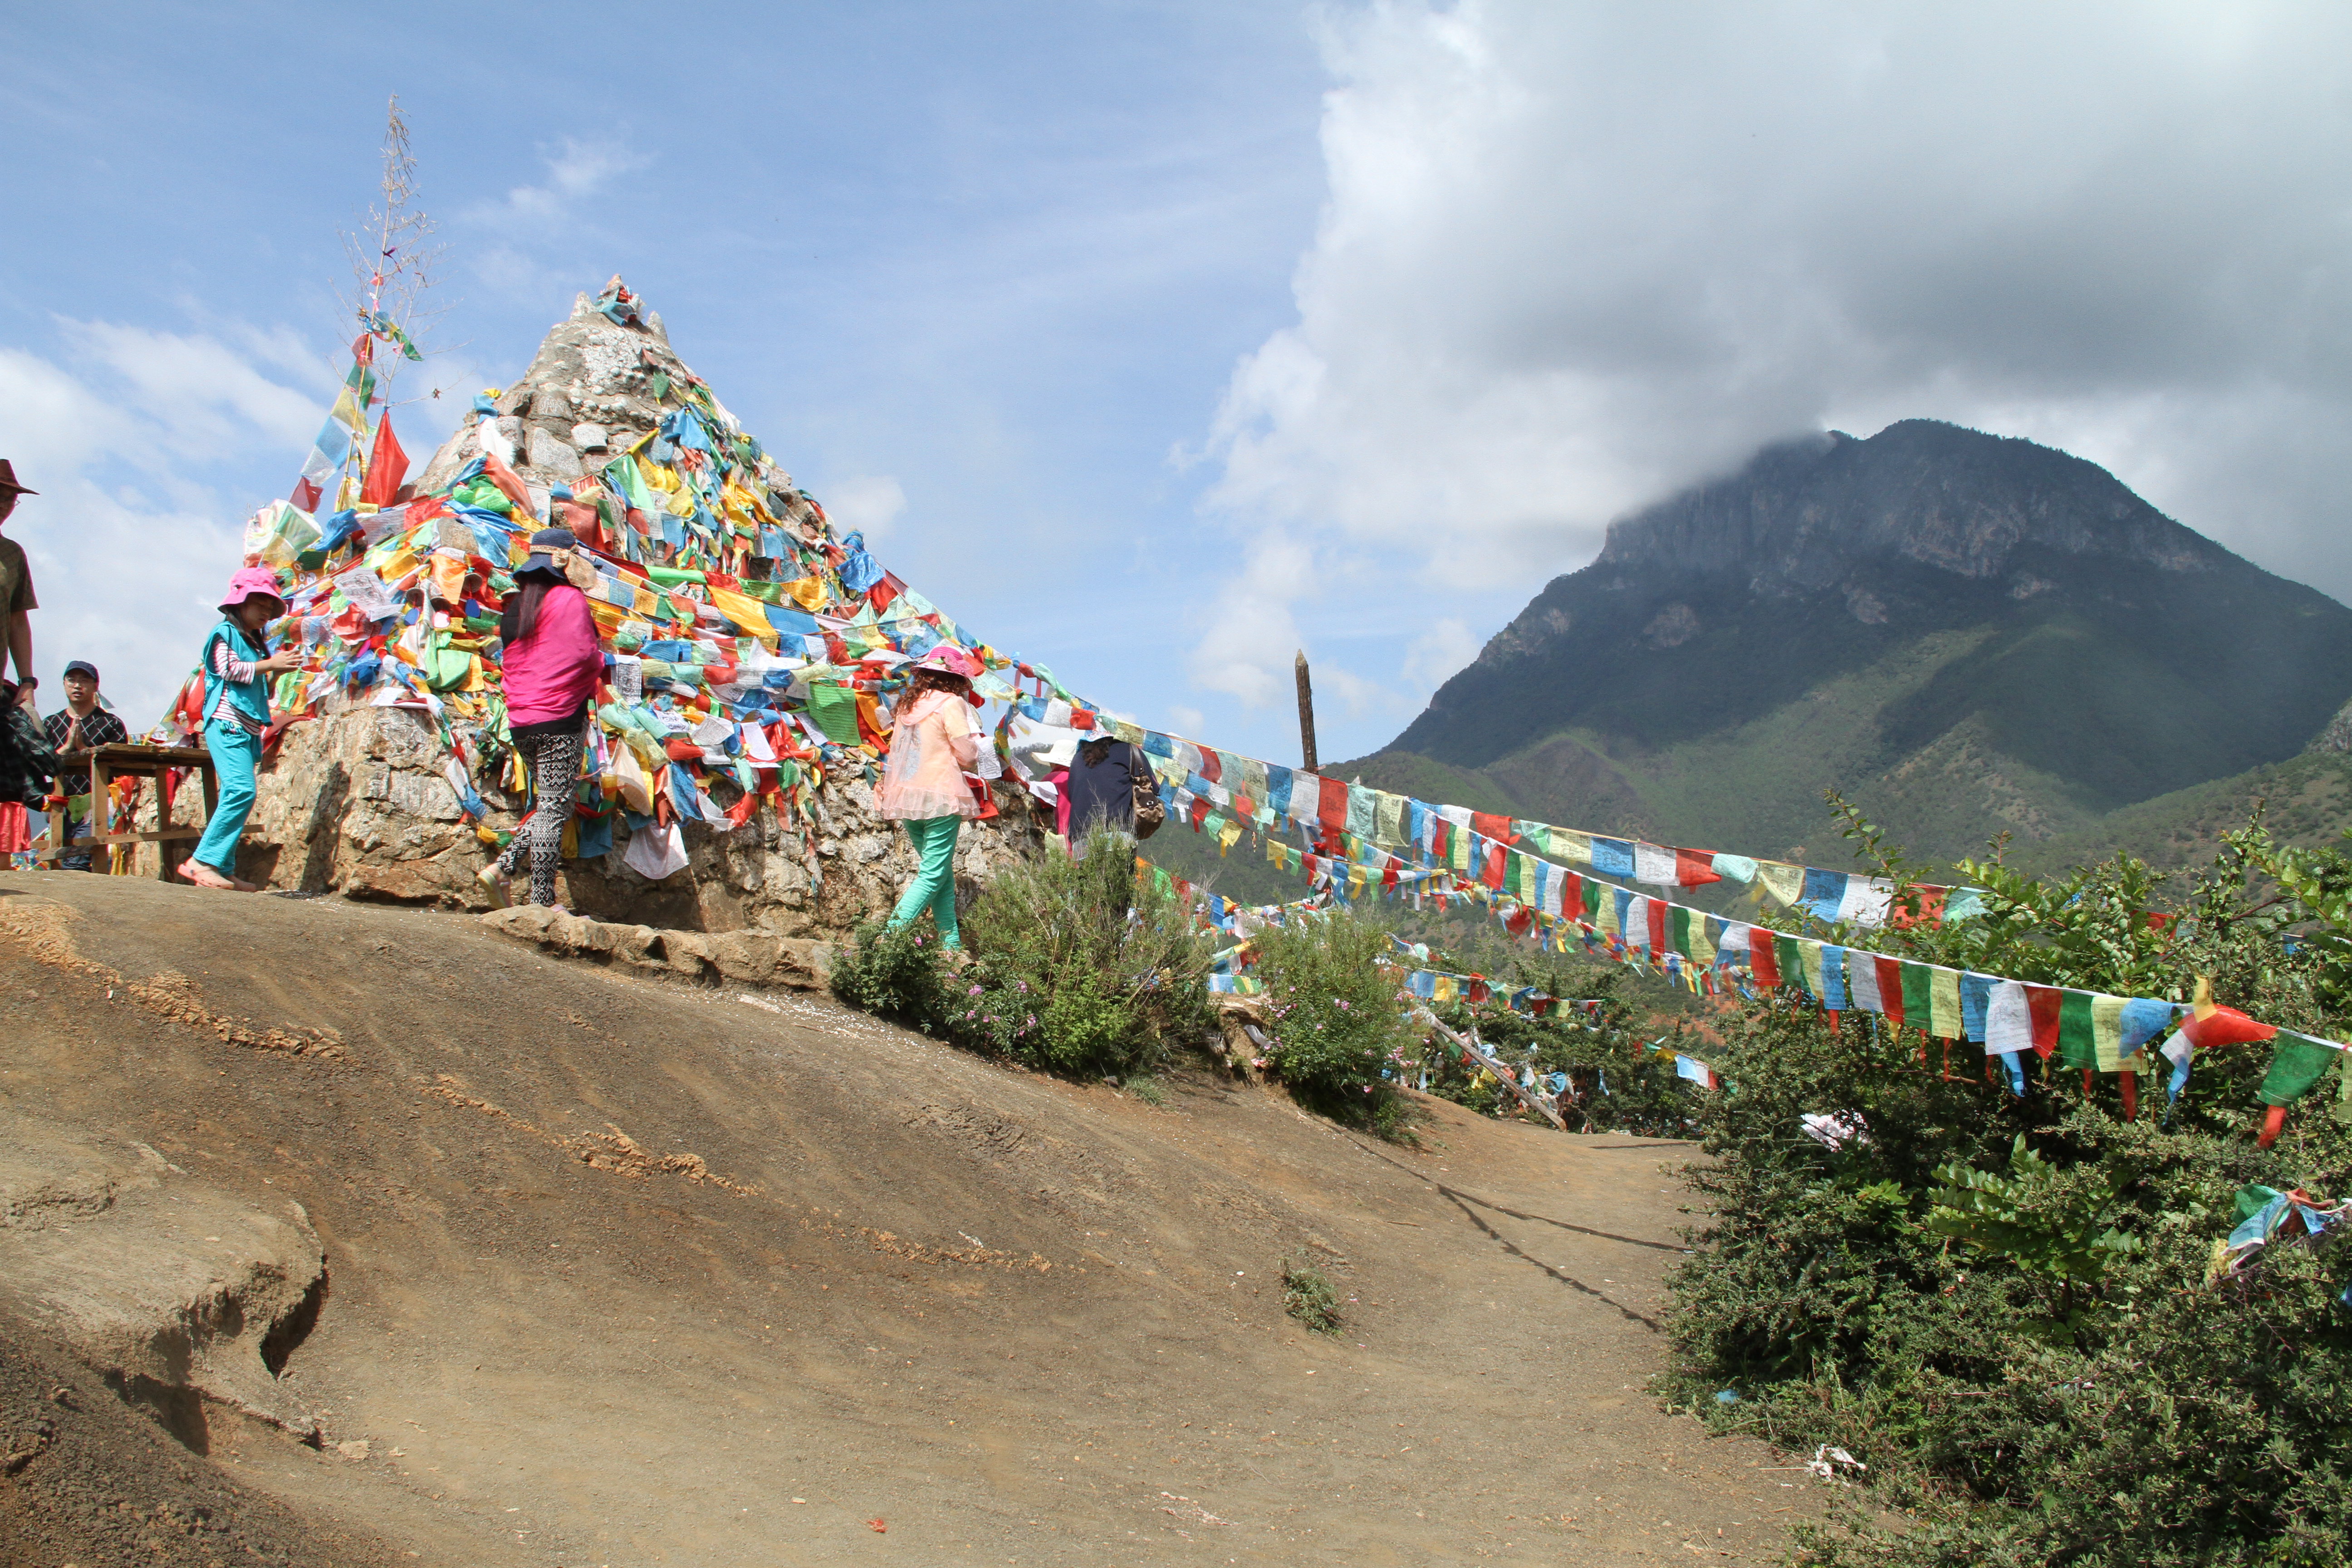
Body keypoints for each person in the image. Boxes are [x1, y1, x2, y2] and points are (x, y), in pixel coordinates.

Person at [480, 528, 603, 911]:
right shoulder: (569, 599)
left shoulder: (516, 607)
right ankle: (542, 902)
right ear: (565, 562)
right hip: (560, 718)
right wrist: (602, 664)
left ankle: (503, 868)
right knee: (554, 808)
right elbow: (583, 655)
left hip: (522, 720)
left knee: (554, 805)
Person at [185, 567, 300, 891]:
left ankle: (223, 867)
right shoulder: (224, 633)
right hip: (226, 722)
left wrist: (274, 674)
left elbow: (257, 685)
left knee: (238, 796)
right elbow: (228, 670)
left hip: (247, 728)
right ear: (239, 603)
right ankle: (201, 862)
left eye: (270, 607)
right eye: (260, 604)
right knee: (241, 790)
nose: (266, 612)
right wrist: (270, 665)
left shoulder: (253, 643)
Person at [876, 645, 982, 948]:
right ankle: (889, 938)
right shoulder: (950, 704)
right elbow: (965, 755)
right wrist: (976, 750)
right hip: (940, 794)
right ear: (954, 680)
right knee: (933, 874)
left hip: (906, 797)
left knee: (941, 873)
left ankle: (952, 947)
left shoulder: (908, 706)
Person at [43, 660, 129, 871]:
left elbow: (121, 768)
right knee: (57, 861)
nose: (77, 686)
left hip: (97, 804)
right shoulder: (51, 724)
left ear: (96, 686)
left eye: (84, 680)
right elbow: (38, 764)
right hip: (59, 803)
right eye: (72, 680)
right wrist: (64, 750)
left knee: (77, 862)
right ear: (64, 684)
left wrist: (84, 749)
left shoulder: (111, 723)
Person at [1060, 728, 1154, 845]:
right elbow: (1152, 788)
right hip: (1117, 834)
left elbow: (1072, 794)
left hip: (1080, 838)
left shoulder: (1078, 757)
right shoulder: (1129, 750)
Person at [0, 461, 35, 711]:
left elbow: (18, 619)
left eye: (10, 499)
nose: (4, 505)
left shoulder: (13, 554)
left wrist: (27, 682)